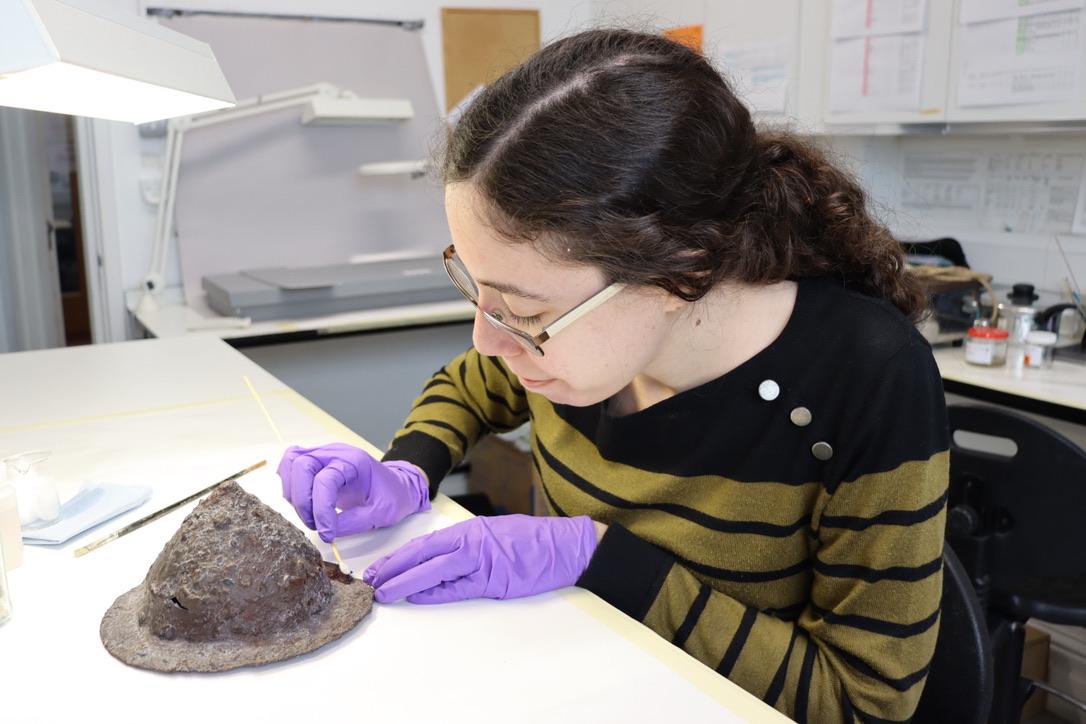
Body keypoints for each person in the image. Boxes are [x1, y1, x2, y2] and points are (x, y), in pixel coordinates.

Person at [277, 28, 948, 722]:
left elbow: (861, 703)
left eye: (523, 309)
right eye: (477, 290)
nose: (487, 337)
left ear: (679, 273)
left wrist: (602, 559)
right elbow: (469, 385)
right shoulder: (566, 353)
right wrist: (410, 467)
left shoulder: (866, 376)